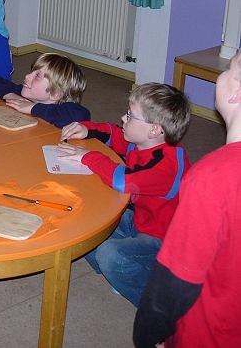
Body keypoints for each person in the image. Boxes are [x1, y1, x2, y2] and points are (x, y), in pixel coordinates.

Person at [133, 51, 241, 347]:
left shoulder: (210, 178)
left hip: (206, 335)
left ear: (236, 93)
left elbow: (176, 281)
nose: (222, 73)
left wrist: (147, 336)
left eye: (229, 67)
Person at [57, 83, 191, 307]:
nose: (123, 118)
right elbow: (112, 133)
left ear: (154, 130)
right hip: (141, 222)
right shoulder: (142, 142)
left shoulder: (167, 165)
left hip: (165, 245)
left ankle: (159, 305)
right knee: (85, 219)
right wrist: (86, 129)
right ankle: (122, 273)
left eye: (130, 116)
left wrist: (88, 157)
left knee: (110, 254)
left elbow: (123, 180)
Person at [0, 53, 90, 128]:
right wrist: (9, 94)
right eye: (32, 72)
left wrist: (32, 108)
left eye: (37, 76)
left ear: (55, 93)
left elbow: (82, 115)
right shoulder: (25, 95)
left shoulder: (68, 111)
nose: (27, 76)